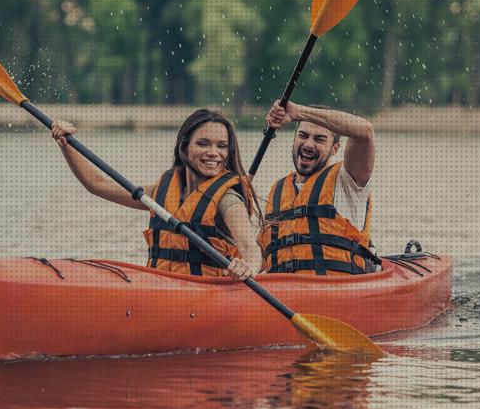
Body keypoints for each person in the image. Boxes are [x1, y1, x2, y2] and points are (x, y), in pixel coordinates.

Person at [51, 108, 263, 280]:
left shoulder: (228, 199)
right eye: (203, 143)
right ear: (184, 146)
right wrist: (66, 145)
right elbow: (97, 184)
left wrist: (248, 268)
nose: (213, 153)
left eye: (222, 146)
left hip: (205, 293)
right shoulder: (162, 191)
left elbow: (249, 246)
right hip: (162, 286)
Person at [257, 101, 380, 275]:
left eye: (319, 139)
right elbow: (262, 254)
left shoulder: (348, 181)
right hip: (281, 292)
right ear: (294, 140)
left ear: (334, 149)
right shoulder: (277, 191)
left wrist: (297, 112)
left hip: (334, 293)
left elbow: (364, 132)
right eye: (303, 135)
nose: (308, 144)